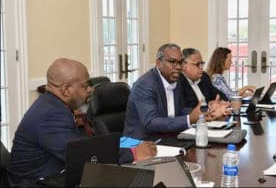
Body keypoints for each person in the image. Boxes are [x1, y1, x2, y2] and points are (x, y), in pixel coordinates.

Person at [7, 58, 157, 187]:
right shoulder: (51, 115)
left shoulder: (53, 105)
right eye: (85, 86)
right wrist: (133, 153)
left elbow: (83, 144)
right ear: (66, 89)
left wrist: (131, 143)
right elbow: (82, 158)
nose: (90, 90)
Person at [123, 43, 227, 140]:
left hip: (167, 137)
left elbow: (179, 111)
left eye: (180, 62)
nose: (178, 67)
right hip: (139, 143)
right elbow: (151, 123)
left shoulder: (175, 80)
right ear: (158, 63)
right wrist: (189, 119)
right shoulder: (145, 84)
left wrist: (205, 113)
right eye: (172, 62)